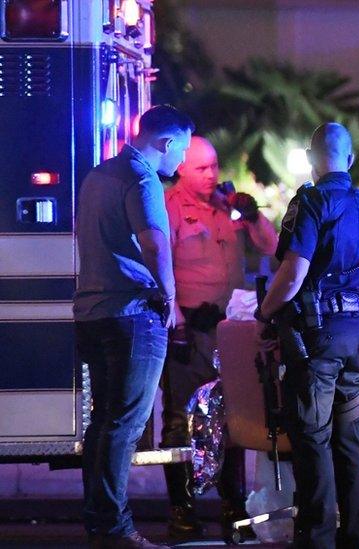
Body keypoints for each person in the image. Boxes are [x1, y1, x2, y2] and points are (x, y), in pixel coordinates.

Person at [255, 122, 359, 549]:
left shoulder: (311, 201)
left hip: (318, 339)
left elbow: (293, 274)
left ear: (313, 160)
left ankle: (316, 538)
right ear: (350, 160)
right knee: (352, 437)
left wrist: (265, 312)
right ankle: (357, 536)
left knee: (313, 437)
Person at [74, 104, 193, 549]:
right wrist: (170, 299)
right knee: (125, 424)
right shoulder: (142, 179)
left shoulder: (99, 174)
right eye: (180, 149)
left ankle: (100, 524)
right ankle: (116, 529)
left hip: (92, 314)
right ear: (164, 143)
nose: (181, 160)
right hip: (131, 316)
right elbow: (155, 244)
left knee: (104, 422)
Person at [160, 136, 278, 539]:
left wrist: (252, 214)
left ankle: (233, 508)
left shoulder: (227, 206)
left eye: (213, 166)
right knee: (181, 419)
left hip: (230, 329)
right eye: (201, 168)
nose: (211, 174)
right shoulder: (168, 207)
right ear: (180, 169)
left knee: (236, 416)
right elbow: (158, 266)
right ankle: (183, 510)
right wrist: (174, 318)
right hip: (189, 327)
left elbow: (273, 247)